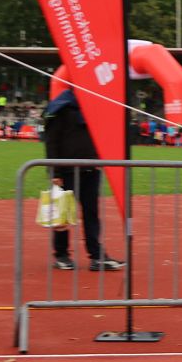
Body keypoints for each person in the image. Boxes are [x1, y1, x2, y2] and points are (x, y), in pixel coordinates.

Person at [42, 89, 124, 271]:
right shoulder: (60, 108)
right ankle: (61, 255)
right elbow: (51, 141)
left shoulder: (93, 107)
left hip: (90, 169)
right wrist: (55, 172)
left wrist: (98, 158)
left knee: (91, 213)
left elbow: (99, 136)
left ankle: (97, 256)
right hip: (67, 171)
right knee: (63, 214)